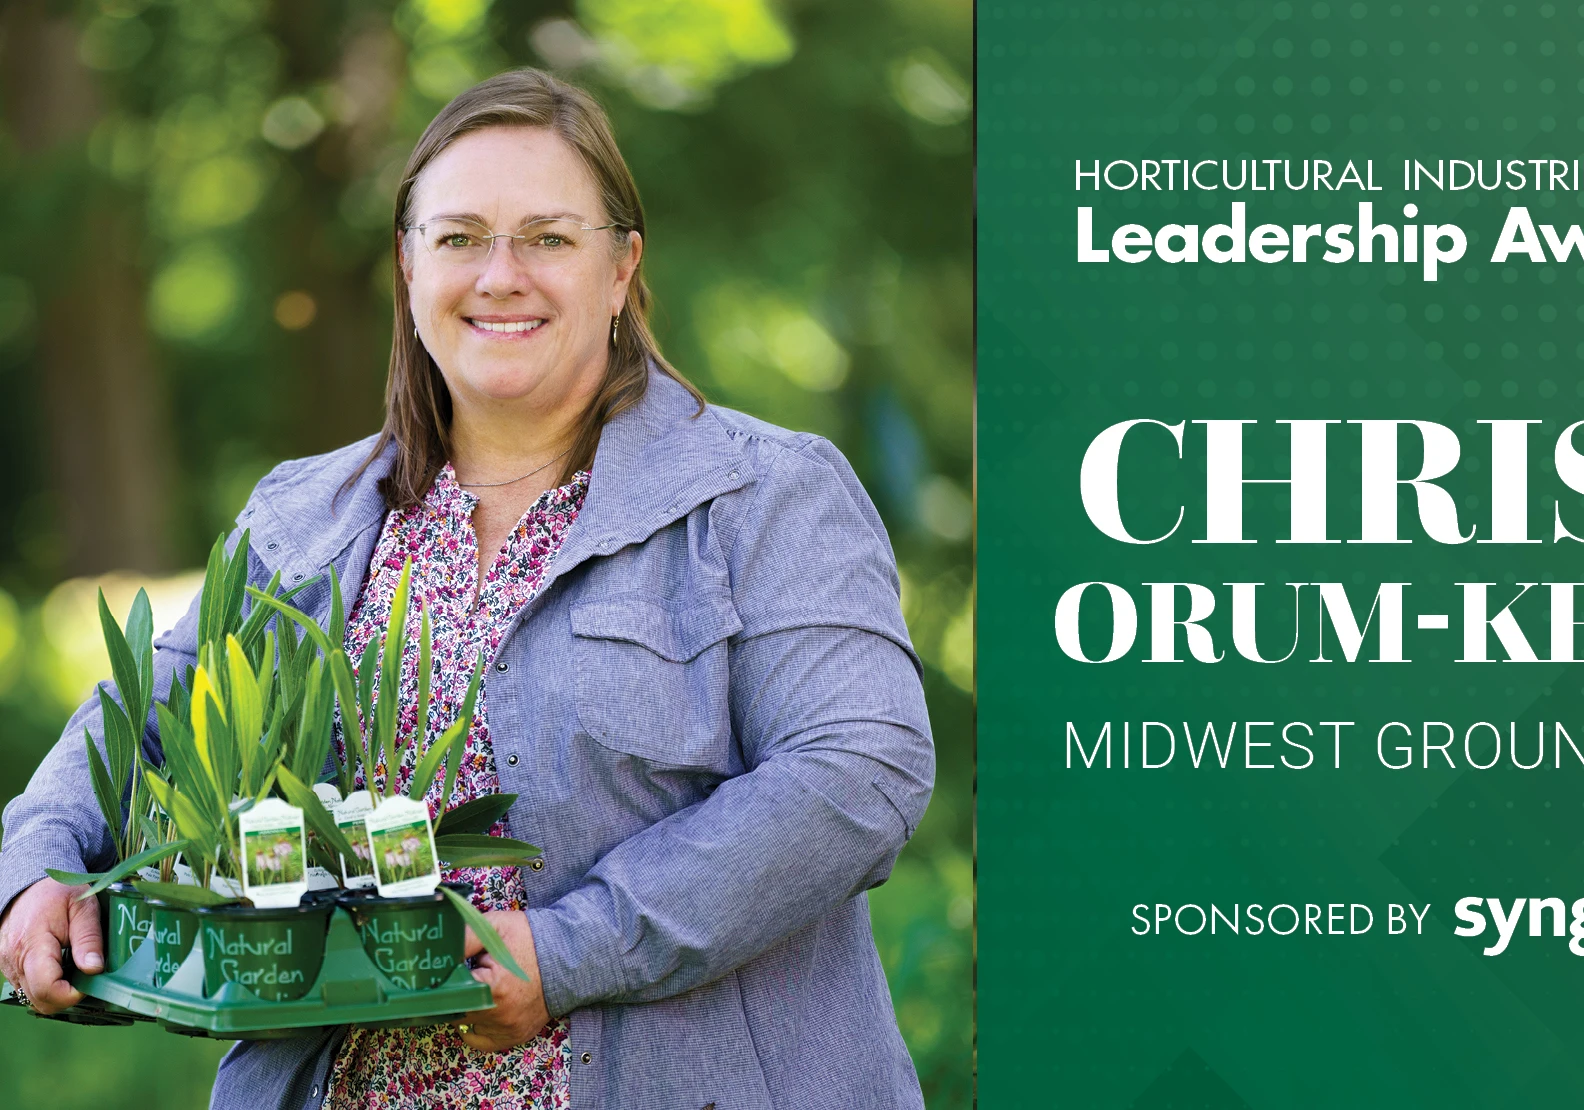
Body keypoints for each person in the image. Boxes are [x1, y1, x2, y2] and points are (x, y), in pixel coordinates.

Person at [0, 68, 935, 1110]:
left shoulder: (766, 495)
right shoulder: (303, 515)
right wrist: (38, 865)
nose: (502, 275)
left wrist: (569, 951)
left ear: (622, 267)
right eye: (459, 238)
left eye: (548, 237)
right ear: (407, 267)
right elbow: (147, 721)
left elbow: (859, 771)